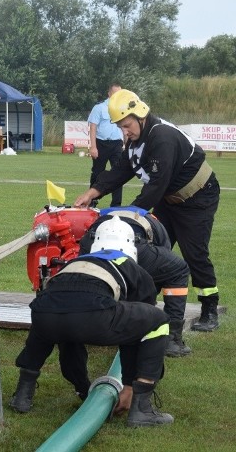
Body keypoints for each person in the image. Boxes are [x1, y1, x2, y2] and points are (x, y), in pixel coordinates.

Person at [73, 89, 222, 332]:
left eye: (127, 125)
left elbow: (156, 184)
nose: (125, 131)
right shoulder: (135, 141)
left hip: (197, 198)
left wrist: (131, 215)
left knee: (194, 252)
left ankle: (209, 309)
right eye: (120, 127)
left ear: (140, 115)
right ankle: (144, 305)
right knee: (154, 252)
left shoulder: (162, 137)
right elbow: (121, 170)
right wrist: (93, 192)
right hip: (168, 198)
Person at [10, 216, 174, 427]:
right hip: (93, 314)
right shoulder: (133, 269)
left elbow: (69, 333)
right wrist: (129, 385)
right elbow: (136, 334)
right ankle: (141, 409)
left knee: (51, 325)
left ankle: (23, 395)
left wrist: (82, 386)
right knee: (157, 321)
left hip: (44, 311)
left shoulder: (75, 262)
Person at [80, 206, 192, 357]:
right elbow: (162, 269)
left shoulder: (100, 218)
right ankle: (172, 338)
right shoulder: (157, 230)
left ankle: (87, 328)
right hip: (134, 243)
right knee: (178, 270)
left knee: (90, 277)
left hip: (94, 241)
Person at [88, 83, 124, 206]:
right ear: (109, 94)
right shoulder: (99, 108)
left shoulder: (123, 108)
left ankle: (116, 204)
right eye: (115, 93)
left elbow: (125, 126)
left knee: (119, 173)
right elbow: (93, 127)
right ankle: (92, 200)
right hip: (101, 143)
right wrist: (93, 147)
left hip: (116, 144)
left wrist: (127, 144)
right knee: (97, 173)